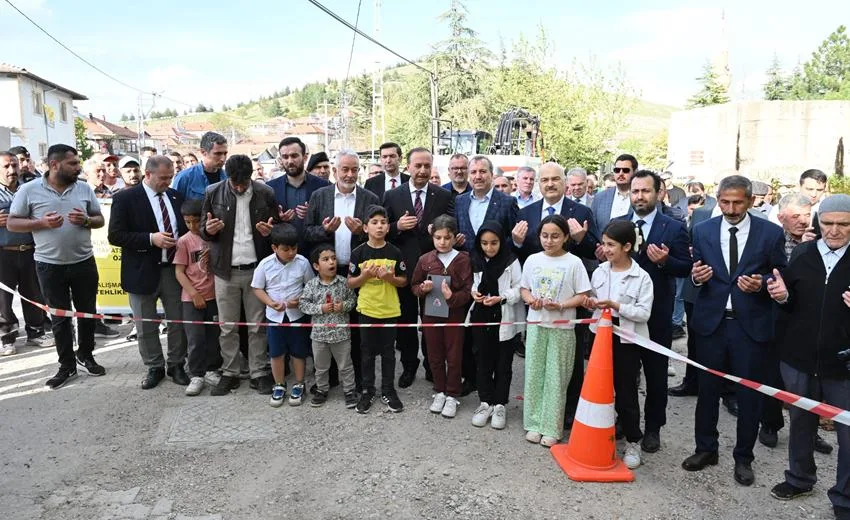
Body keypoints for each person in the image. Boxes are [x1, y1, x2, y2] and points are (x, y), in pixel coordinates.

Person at [684, 175, 787, 486]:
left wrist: (763, 283)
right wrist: (698, 278)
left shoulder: (770, 233)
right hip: (711, 325)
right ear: (718, 199)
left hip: (750, 327)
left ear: (751, 201)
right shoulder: (702, 230)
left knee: (749, 396)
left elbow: (780, 272)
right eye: (725, 202)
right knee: (707, 392)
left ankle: (744, 458)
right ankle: (706, 449)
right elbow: (696, 275)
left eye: (737, 202)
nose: (730, 208)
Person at [766, 194, 850, 519]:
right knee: (801, 422)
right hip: (799, 359)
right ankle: (800, 478)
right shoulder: (802, 253)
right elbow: (789, 301)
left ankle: (844, 499)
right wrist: (783, 296)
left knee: (847, 434)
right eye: (827, 223)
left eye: (843, 224)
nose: (834, 231)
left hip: (842, 365)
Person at [7, 144, 106, 389]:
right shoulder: (29, 190)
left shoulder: (83, 188)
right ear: (54, 165)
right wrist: (40, 222)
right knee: (60, 317)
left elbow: (99, 219)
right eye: (72, 163)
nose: (78, 167)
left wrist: (85, 220)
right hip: (49, 265)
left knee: (87, 313)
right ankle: (66, 364)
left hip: (83, 262)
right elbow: (12, 223)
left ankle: (86, 355)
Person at [607, 169, 691, 453]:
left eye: (645, 191)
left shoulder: (674, 227)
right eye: (635, 191)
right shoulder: (618, 225)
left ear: (659, 193)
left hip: (655, 316)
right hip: (622, 316)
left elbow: (685, 267)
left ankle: (653, 428)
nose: (639, 196)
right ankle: (626, 420)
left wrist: (667, 261)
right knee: (624, 375)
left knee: (655, 376)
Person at [200, 154, 280, 395]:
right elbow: (203, 230)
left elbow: (276, 225)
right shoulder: (212, 192)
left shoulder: (265, 192)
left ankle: (258, 372)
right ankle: (231, 372)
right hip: (225, 270)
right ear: (227, 177)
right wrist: (208, 230)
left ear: (251, 176)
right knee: (227, 326)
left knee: (257, 326)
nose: (239, 186)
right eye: (234, 182)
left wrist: (271, 231)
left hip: (257, 270)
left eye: (243, 182)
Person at [108, 155, 189, 390]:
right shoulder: (125, 198)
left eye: (171, 177)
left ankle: (176, 364)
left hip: (173, 271)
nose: (168, 182)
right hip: (141, 271)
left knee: (177, 321)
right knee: (146, 324)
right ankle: (154, 366)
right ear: (148, 174)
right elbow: (115, 235)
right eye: (163, 178)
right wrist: (150, 239)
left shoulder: (176, 197)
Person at [304, 150, 380, 393]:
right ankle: (330, 377)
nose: (349, 174)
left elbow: (378, 233)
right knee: (329, 324)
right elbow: (307, 232)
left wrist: (361, 231)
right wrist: (325, 231)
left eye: (354, 169)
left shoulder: (369, 198)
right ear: (335, 171)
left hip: (358, 271)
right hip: (328, 273)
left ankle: (357, 378)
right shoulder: (320, 195)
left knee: (356, 326)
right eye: (344, 169)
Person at [584, 220, 654, 469]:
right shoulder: (600, 271)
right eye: (604, 243)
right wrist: (591, 303)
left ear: (627, 246)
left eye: (611, 245)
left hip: (626, 338)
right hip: (599, 335)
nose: (606, 249)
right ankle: (599, 430)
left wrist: (616, 306)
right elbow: (592, 297)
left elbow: (644, 313)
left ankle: (633, 440)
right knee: (598, 387)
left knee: (626, 390)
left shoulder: (642, 277)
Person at [385, 148, 454, 387]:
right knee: (405, 322)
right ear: (408, 166)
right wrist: (397, 226)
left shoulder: (443, 196)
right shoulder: (393, 195)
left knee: (433, 322)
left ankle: (432, 366)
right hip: (403, 271)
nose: (423, 170)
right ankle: (409, 365)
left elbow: (451, 227)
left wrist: (440, 229)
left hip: (435, 271)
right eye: (418, 166)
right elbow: (382, 230)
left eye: (427, 166)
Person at [521, 214, 592, 447]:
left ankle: (552, 426)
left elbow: (583, 295)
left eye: (555, 236)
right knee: (534, 373)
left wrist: (561, 305)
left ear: (565, 237)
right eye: (544, 236)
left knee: (556, 377)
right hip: (536, 324)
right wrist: (531, 300)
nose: (549, 241)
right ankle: (532, 422)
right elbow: (524, 288)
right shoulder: (532, 260)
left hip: (562, 328)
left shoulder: (573, 263)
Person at [410, 215, 473, 418]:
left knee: (454, 355)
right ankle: (439, 390)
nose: (442, 242)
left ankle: (453, 394)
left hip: (454, 315)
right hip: (431, 314)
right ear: (432, 237)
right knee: (434, 354)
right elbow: (413, 286)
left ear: (455, 237)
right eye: (438, 237)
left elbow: (468, 290)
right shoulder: (425, 259)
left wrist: (452, 297)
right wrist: (422, 288)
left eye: (447, 238)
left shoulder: (463, 259)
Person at [347, 205, 407, 414]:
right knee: (367, 353)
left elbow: (403, 281)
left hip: (390, 310)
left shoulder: (395, 252)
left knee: (389, 353)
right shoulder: (358, 253)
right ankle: (367, 390)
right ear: (365, 228)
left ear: (388, 228)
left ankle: (388, 390)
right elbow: (351, 283)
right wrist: (364, 277)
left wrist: (390, 278)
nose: (379, 226)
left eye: (383, 222)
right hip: (366, 310)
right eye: (374, 222)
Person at [251, 223, 315, 407]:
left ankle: (299, 383)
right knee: (276, 352)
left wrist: (301, 299)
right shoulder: (265, 264)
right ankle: (279, 384)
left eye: (294, 248)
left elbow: (310, 287)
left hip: (296, 315)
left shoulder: (302, 262)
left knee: (298, 351)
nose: (291, 253)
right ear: (274, 248)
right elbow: (257, 287)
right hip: (274, 316)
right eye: (285, 249)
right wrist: (270, 302)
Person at [467, 221, 522, 430]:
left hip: (503, 315)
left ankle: (500, 404)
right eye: (484, 243)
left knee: (503, 363)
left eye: (494, 243)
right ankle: (485, 402)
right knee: (482, 360)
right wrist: (475, 292)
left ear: (501, 241)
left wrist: (502, 297)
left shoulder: (510, 260)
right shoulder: (477, 259)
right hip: (481, 314)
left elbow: (519, 288)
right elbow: (475, 281)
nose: (489, 248)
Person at [0, 151, 53, 355]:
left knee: (34, 293)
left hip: (30, 250)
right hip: (4, 253)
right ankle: (7, 336)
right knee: (3, 298)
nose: (12, 170)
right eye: (6, 166)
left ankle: (36, 332)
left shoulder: (29, 189)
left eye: (14, 165)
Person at [298, 244, 358, 408]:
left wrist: (343, 306)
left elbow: (353, 301)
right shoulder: (311, 285)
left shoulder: (344, 283)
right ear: (316, 266)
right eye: (326, 259)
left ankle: (349, 391)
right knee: (321, 367)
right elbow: (303, 305)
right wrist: (320, 308)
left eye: (333, 258)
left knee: (345, 365)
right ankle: (322, 390)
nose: (331, 262)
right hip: (319, 335)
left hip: (341, 334)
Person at [173, 199, 221, 396]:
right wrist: (194, 293)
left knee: (214, 336)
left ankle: (212, 370)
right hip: (192, 299)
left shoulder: (214, 238)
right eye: (188, 222)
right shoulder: (184, 241)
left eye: (196, 221)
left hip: (214, 296)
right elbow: (179, 272)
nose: (193, 226)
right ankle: (196, 374)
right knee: (195, 338)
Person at [267, 137, 330, 256]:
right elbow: (267, 222)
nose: (289, 161)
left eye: (294, 156)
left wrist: (312, 214)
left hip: (315, 253)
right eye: (285, 157)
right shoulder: (270, 188)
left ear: (305, 157)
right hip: (283, 256)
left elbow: (330, 219)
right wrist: (279, 219)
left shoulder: (323, 186)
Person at [455, 155, 518, 251]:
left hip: (496, 263)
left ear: (492, 175)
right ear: (469, 176)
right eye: (473, 172)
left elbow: (513, 237)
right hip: (466, 263)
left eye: (483, 171)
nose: (478, 176)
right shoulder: (460, 201)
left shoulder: (508, 202)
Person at [173, 132, 228, 201]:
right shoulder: (184, 178)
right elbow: (174, 207)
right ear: (203, 152)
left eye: (225, 153)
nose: (222, 158)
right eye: (218, 154)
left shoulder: (228, 178)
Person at [591, 154, 637, 233]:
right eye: (617, 170)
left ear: (635, 172)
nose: (621, 173)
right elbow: (593, 228)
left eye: (625, 170)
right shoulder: (600, 198)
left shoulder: (642, 198)